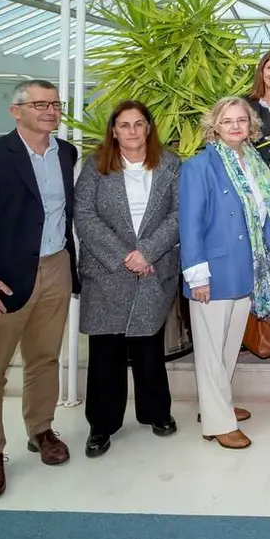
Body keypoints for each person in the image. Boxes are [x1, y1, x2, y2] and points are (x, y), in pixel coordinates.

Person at [0, 79, 79, 500]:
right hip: (1, 279)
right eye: (40, 104)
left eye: (55, 104)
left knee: (44, 358)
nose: (50, 111)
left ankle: (41, 430)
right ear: (16, 111)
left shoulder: (66, 153)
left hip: (55, 268)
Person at [74, 101, 181, 459]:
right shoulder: (96, 165)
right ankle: (101, 425)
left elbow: (179, 214)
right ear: (113, 130)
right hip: (108, 270)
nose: (132, 131)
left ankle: (157, 413)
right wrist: (125, 256)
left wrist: (147, 252)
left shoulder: (170, 164)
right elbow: (84, 215)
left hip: (153, 267)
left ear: (149, 127)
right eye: (124, 124)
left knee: (149, 347)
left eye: (138, 124)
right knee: (106, 351)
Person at [179, 96, 270, 450]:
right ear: (214, 127)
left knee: (228, 348)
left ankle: (217, 404)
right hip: (214, 272)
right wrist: (197, 277)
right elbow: (190, 225)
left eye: (241, 120)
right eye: (227, 121)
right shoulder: (199, 167)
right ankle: (219, 423)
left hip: (247, 269)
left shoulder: (255, 163)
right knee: (210, 352)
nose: (235, 126)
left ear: (251, 125)